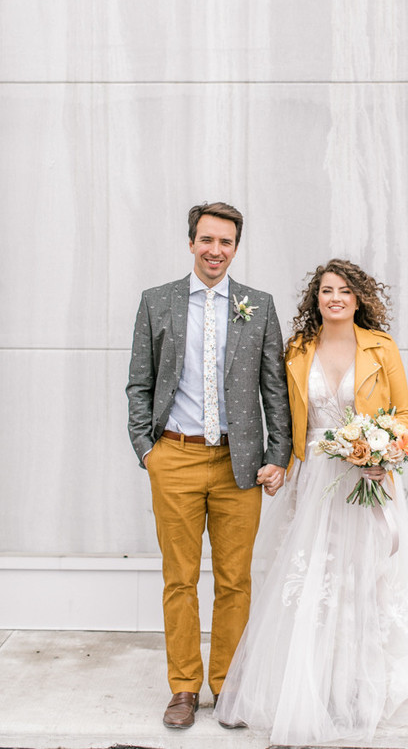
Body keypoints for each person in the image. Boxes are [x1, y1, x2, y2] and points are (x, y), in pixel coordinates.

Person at [215, 259, 408, 745]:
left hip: (367, 476)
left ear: (359, 298)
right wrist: (280, 460)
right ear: (315, 299)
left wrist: (383, 450)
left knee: (368, 578)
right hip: (314, 475)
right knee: (312, 578)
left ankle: (365, 687)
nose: (334, 297)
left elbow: (401, 412)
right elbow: (280, 409)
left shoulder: (381, 347)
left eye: (344, 290)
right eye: (325, 290)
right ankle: (316, 685)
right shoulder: (298, 349)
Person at [126, 202, 291, 729]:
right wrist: (146, 450)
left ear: (235, 248)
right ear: (191, 242)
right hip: (173, 457)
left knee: (234, 579)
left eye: (225, 242)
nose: (215, 250)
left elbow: (275, 389)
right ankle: (183, 687)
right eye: (206, 240)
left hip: (238, 464)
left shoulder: (257, 306)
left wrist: (277, 454)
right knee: (179, 579)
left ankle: (228, 684)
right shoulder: (158, 302)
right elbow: (139, 382)